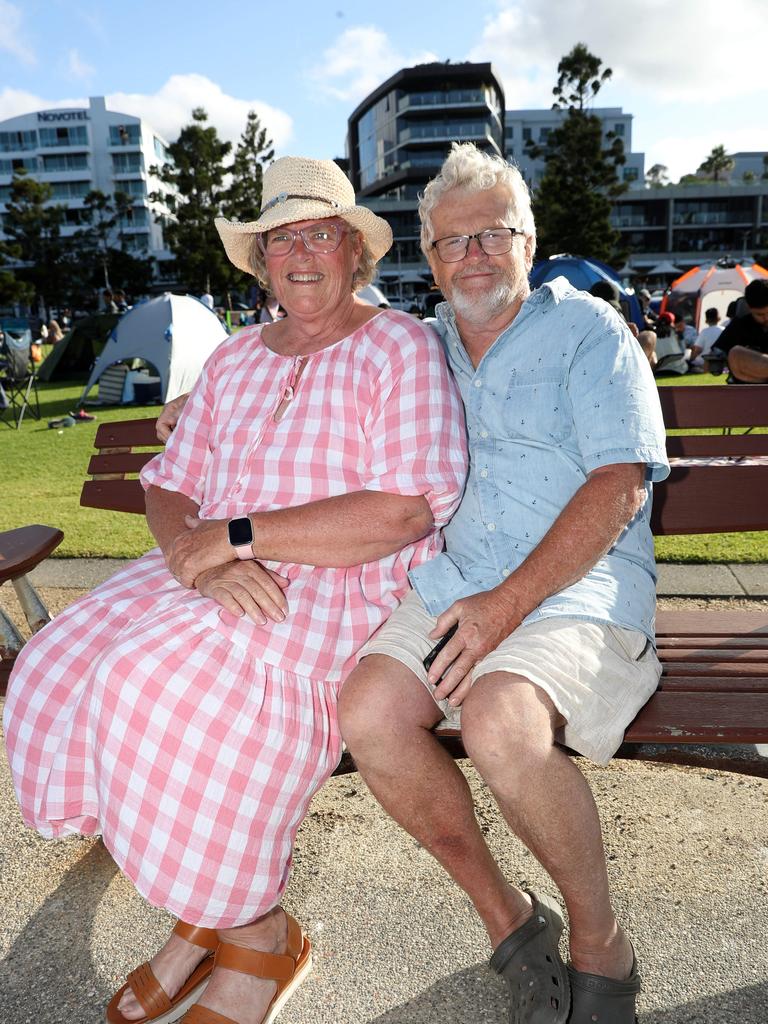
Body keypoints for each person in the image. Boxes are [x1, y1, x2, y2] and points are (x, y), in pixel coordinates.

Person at [3, 156, 467, 1024]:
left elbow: (406, 511)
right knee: (59, 661)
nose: (299, 253)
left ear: (353, 252)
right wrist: (194, 555)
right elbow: (171, 481)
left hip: (337, 579)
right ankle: (205, 917)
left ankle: (256, 936)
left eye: (318, 234)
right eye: (278, 238)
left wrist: (239, 538)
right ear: (258, 260)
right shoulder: (236, 357)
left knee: (154, 686)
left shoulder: (397, 345)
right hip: (209, 566)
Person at [337, 142, 669, 1024]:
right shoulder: (417, 346)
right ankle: (511, 921)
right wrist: (199, 401)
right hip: (457, 586)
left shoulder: (588, 331)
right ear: (431, 260)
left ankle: (601, 943)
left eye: (494, 233)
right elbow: (312, 355)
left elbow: (620, 485)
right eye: (453, 242)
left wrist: (507, 606)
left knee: (495, 719)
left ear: (530, 241)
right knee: (367, 712)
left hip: (578, 591)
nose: (473, 254)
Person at [717, 278, 768, 382]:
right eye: (759, 314)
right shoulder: (740, 325)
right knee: (736, 354)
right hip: (751, 384)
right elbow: (717, 353)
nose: (766, 318)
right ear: (749, 308)